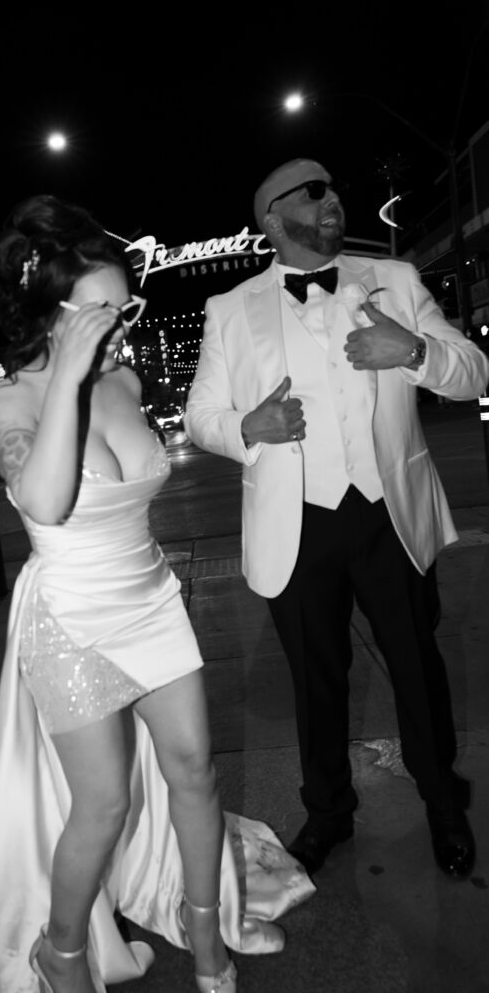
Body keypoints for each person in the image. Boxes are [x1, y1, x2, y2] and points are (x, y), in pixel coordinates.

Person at [0, 194, 314, 993]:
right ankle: (59, 950)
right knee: (99, 807)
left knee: (195, 772)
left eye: (123, 305)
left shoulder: (126, 381)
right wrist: (63, 374)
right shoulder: (11, 401)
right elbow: (45, 501)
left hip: (152, 600)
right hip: (70, 619)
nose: (122, 322)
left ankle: (205, 939)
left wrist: (94, 364)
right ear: (51, 314)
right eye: (102, 311)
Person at [184, 158, 489, 881]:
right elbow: (200, 417)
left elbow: (473, 368)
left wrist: (411, 352)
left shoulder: (396, 280)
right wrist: (248, 426)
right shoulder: (229, 309)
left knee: (417, 669)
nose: (332, 202)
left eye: (333, 191)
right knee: (315, 682)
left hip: (389, 514)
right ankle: (327, 815)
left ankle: (444, 805)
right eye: (313, 193)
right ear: (269, 216)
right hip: (296, 524)